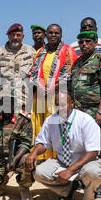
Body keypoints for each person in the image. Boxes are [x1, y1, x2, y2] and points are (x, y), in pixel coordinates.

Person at [26, 85, 101, 200]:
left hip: (85, 162)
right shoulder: (51, 120)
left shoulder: (85, 120)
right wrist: (34, 153)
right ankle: (68, 190)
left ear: (72, 103)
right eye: (57, 105)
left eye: (63, 105)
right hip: (62, 161)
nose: (60, 108)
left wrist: (70, 170)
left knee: (93, 172)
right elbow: (43, 143)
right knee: (38, 173)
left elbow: (93, 151)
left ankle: (89, 199)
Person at [71, 31, 101, 198]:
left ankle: (99, 185)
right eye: (81, 42)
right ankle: (82, 181)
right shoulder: (78, 61)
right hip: (78, 112)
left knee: (97, 148)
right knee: (79, 147)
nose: (84, 45)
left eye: (88, 41)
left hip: (93, 111)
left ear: (95, 43)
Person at [29, 24, 77, 161]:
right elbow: (34, 74)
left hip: (58, 96)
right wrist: (41, 87)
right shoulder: (40, 52)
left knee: (57, 127)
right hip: (40, 96)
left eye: (56, 33)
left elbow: (69, 74)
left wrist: (52, 88)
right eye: (50, 33)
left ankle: (57, 159)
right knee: (39, 126)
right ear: (46, 35)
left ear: (61, 35)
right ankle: (39, 159)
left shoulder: (68, 51)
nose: (53, 35)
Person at [0, 23, 35, 112]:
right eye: (12, 35)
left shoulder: (31, 52)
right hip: (5, 101)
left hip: (25, 101)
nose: (15, 37)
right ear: (8, 36)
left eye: (18, 35)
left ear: (23, 36)